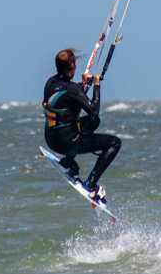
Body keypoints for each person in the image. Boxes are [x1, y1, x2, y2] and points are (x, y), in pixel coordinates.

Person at [43, 48, 121, 204]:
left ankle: (68, 162)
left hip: (51, 138)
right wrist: (97, 85)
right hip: (68, 142)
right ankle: (91, 185)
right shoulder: (73, 89)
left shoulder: (50, 83)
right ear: (72, 66)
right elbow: (93, 110)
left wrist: (84, 85)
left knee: (93, 123)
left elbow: (68, 97)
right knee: (114, 143)